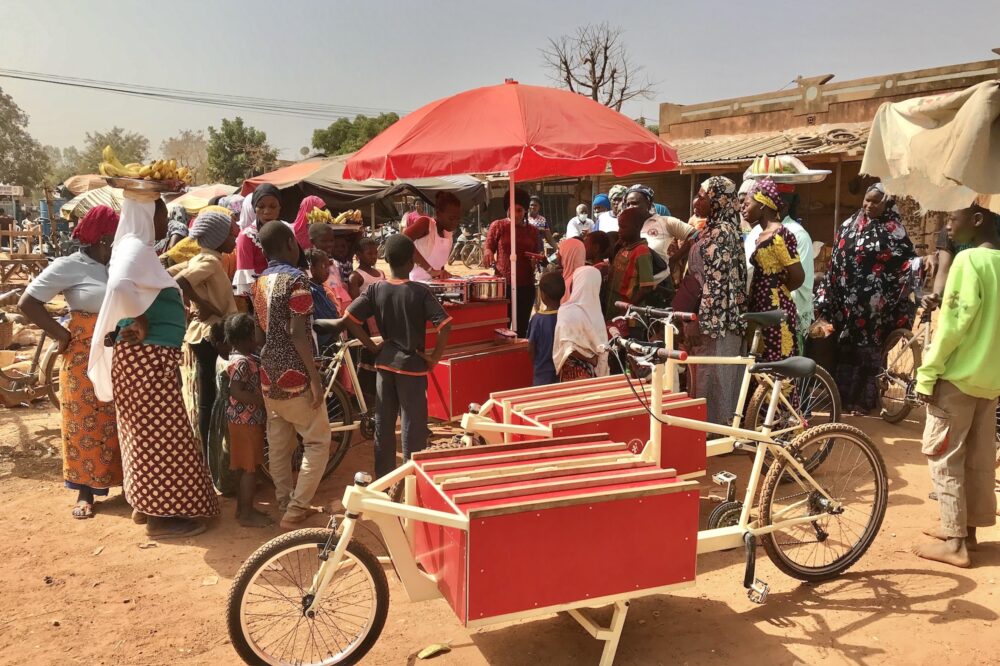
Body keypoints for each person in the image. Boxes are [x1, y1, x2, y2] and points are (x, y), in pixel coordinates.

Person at [88, 195, 219, 538]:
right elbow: (119, 286)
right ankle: (163, 517)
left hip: (145, 359)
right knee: (164, 439)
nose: (166, 220)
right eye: (160, 212)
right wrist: (141, 318)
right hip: (148, 358)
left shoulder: (134, 247)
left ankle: (146, 507)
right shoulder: (135, 249)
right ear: (147, 214)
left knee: (147, 437)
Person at [912, 202, 1000, 568]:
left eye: (952, 217)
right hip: (989, 379)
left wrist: (928, 372)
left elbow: (954, 327)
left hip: (957, 377)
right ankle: (969, 530)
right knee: (979, 459)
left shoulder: (968, 262)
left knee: (945, 457)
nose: (947, 225)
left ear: (977, 220)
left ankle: (955, 542)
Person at [19, 205, 122, 519]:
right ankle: (85, 491)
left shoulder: (119, 265)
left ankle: (127, 485)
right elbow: (28, 303)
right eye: (116, 234)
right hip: (82, 354)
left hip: (119, 351)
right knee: (84, 419)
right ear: (104, 237)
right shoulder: (70, 266)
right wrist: (61, 335)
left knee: (118, 419)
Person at [337, 234, 452, 478]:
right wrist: (433, 357)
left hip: (385, 363)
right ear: (412, 262)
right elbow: (445, 325)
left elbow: (349, 318)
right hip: (412, 365)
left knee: (384, 424)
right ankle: (412, 480)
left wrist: (370, 345)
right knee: (413, 425)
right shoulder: (420, 292)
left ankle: (384, 479)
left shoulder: (377, 289)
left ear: (386, 260)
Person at [252, 221, 330, 529]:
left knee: (280, 442)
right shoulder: (298, 280)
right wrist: (314, 377)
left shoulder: (258, 283)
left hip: (268, 374)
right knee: (318, 441)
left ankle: (284, 501)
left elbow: (260, 335)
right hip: (294, 373)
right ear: (288, 244)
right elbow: (299, 334)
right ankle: (297, 508)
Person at [814, 183, 916, 414]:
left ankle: (863, 401)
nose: (869, 205)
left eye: (876, 201)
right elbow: (836, 261)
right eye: (867, 200)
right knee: (844, 347)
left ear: (887, 203)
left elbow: (906, 263)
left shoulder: (894, 230)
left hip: (874, 307)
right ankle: (840, 396)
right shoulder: (850, 224)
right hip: (845, 301)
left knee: (866, 352)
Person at [674, 177, 748, 425]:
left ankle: (716, 436)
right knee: (705, 377)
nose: (697, 201)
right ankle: (707, 435)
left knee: (714, 378)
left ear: (719, 199)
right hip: (707, 319)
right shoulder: (712, 229)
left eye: (703, 196)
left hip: (716, 322)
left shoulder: (722, 233)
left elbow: (715, 284)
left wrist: (695, 322)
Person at [174, 209, 240, 451]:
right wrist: (204, 306)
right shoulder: (209, 261)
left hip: (204, 333)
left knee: (208, 397)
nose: (235, 239)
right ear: (217, 237)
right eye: (231, 234)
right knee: (210, 399)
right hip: (210, 335)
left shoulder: (203, 259)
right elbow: (179, 282)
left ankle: (209, 453)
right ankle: (210, 457)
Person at [744, 184, 815, 349]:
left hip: (774, 308)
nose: (742, 208)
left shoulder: (781, 235)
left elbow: (798, 277)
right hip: (759, 305)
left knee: (776, 364)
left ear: (762, 204)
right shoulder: (759, 233)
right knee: (758, 362)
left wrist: (775, 292)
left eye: (747, 204)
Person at [223, 313, 272, 528]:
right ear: (245, 338)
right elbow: (236, 390)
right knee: (249, 469)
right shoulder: (243, 362)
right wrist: (261, 400)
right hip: (246, 422)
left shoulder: (236, 359)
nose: (257, 339)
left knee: (245, 467)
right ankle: (246, 514)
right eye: (254, 335)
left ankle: (243, 509)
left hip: (240, 422)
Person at [483, 188, 539, 338]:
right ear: (507, 209)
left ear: (525, 211)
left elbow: (538, 254)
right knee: (502, 328)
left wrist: (536, 261)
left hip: (526, 285)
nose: (515, 214)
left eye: (520, 210)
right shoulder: (498, 226)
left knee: (522, 328)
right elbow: (488, 246)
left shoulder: (533, 231)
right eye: (512, 209)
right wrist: (488, 253)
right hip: (503, 285)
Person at [625, 183, 695, 282]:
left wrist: (674, 259)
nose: (630, 207)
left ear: (648, 204)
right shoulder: (625, 226)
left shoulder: (665, 222)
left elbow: (695, 234)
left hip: (659, 285)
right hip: (632, 285)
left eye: (635, 203)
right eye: (628, 204)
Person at [555, 266, 610, 381]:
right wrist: (592, 359)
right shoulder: (596, 312)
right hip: (591, 373)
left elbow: (566, 348)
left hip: (575, 374)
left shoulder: (566, 311)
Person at [605, 207, 656, 322]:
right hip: (614, 312)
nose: (619, 231)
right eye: (619, 226)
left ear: (637, 227)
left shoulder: (641, 251)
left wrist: (628, 308)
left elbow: (646, 288)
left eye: (623, 227)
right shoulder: (624, 248)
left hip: (629, 318)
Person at [234, 184, 285, 296]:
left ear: (280, 207)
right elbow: (247, 284)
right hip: (261, 299)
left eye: (272, 206)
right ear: (254, 208)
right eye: (261, 207)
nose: (267, 211)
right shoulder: (247, 237)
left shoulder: (286, 231)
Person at [404, 191, 462, 280]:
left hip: (436, 287)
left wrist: (444, 274)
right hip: (417, 285)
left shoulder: (448, 234)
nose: (454, 223)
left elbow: (439, 265)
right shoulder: (426, 224)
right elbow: (402, 241)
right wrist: (430, 270)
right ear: (438, 213)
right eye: (451, 218)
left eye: (457, 218)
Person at [526, 272, 564, 385]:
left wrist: (535, 363)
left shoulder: (537, 319)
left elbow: (530, 348)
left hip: (542, 374)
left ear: (543, 295)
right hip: (561, 373)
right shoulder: (566, 315)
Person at [304, 248, 340, 351]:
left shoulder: (322, 288)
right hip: (322, 340)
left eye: (328, 266)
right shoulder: (311, 291)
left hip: (331, 336)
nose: (327, 271)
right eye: (323, 266)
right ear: (311, 268)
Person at [558, 237, 586, 303]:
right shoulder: (583, 276)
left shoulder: (573, 282)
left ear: (567, 254)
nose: (557, 255)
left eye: (560, 251)